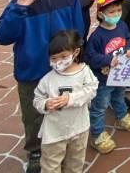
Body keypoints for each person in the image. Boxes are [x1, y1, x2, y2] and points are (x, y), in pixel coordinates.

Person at [0, 0, 85, 173]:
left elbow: (78, 29)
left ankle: (64, 147)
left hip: (64, 69)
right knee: (34, 116)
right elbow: (2, 36)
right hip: (33, 72)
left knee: (66, 110)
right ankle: (35, 151)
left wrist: (75, 58)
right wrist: (18, 9)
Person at [33, 31, 98, 173]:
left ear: (75, 53)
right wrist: (45, 104)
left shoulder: (84, 72)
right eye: (54, 58)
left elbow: (92, 89)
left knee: (76, 162)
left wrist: (70, 99)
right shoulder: (47, 79)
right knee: (50, 165)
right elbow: (37, 99)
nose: (58, 62)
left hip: (79, 128)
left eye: (63, 57)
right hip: (54, 132)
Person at [85, 0, 130, 154]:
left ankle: (121, 117)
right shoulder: (96, 36)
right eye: (111, 12)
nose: (116, 14)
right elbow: (90, 56)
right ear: (101, 14)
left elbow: (128, 39)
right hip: (103, 79)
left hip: (120, 75)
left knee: (119, 96)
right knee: (100, 106)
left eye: (118, 10)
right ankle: (97, 135)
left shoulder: (122, 26)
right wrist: (106, 60)